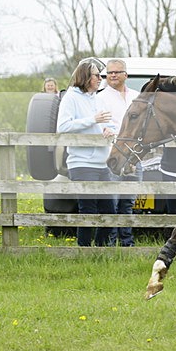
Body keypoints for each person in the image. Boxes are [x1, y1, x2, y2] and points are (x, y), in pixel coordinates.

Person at [57, 59, 117, 246]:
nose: (101, 78)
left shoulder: (98, 98)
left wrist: (109, 130)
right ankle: (83, 249)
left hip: (102, 162)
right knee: (88, 209)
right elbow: (63, 127)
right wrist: (93, 119)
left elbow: (107, 123)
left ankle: (101, 250)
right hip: (81, 163)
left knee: (109, 210)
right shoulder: (70, 98)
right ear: (85, 77)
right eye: (97, 75)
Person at [97, 59, 140, 246]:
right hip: (112, 156)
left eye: (117, 72)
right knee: (112, 202)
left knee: (128, 203)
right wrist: (105, 130)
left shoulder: (136, 97)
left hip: (134, 158)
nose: (113, 75)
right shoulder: (100, 97)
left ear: (126, 75)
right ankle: (110, 243)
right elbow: (101, 125)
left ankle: (127, 243)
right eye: (109, 72)